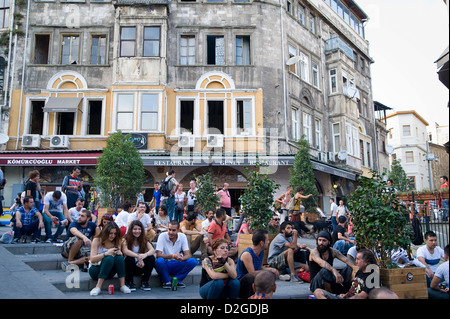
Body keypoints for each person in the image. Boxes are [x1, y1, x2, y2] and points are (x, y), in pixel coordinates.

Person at [88, 222, 131, 296]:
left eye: (115, 233)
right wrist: (106, 253)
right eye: (110, 233)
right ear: (105, 232)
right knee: (109, 258)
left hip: (110, 270)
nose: (113, 236)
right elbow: (92, 259)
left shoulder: (117, 241)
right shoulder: (97, 240)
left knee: (119, 258)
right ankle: (98, 287)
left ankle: (122, 285)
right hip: (96, 269)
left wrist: (120, 253)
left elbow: (120, 254)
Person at [236, 229, 279, 299]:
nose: (268, 242)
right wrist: (268, 272)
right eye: (267, 240)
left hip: (254, 281)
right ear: (261, 243)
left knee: (271, 274)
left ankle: (266, 295)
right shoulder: (247, 254)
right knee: (251, 277)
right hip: (243, 283)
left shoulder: (261, 252)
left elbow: (260, 267)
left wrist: (271, 269)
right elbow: (252, 273)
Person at [154, 220, 197, 289]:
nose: (171, 232)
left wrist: (181, 258)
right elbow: (158, 255)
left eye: (173, 230)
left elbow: (188, 255)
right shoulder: (162, 236)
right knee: (159, 261)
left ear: (178, 230)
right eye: (169, 229)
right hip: (165, 264)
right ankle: (166, 281)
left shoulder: (182, 236)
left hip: (177, 262)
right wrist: (173, 256)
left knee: (193, 261)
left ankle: (177, 280)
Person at [122, 220, 156, 291]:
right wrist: (138, 256)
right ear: (131, 230)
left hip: (141, 265)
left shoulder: (144, 239)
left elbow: (152, 250)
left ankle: (145, 281)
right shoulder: (126, 239)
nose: (137, 231)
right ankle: (129, 282)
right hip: (129, 267)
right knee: (129, 258)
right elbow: (125, 251)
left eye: (139, 229)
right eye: (135, 229)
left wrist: (144, 255)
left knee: (151, 258)